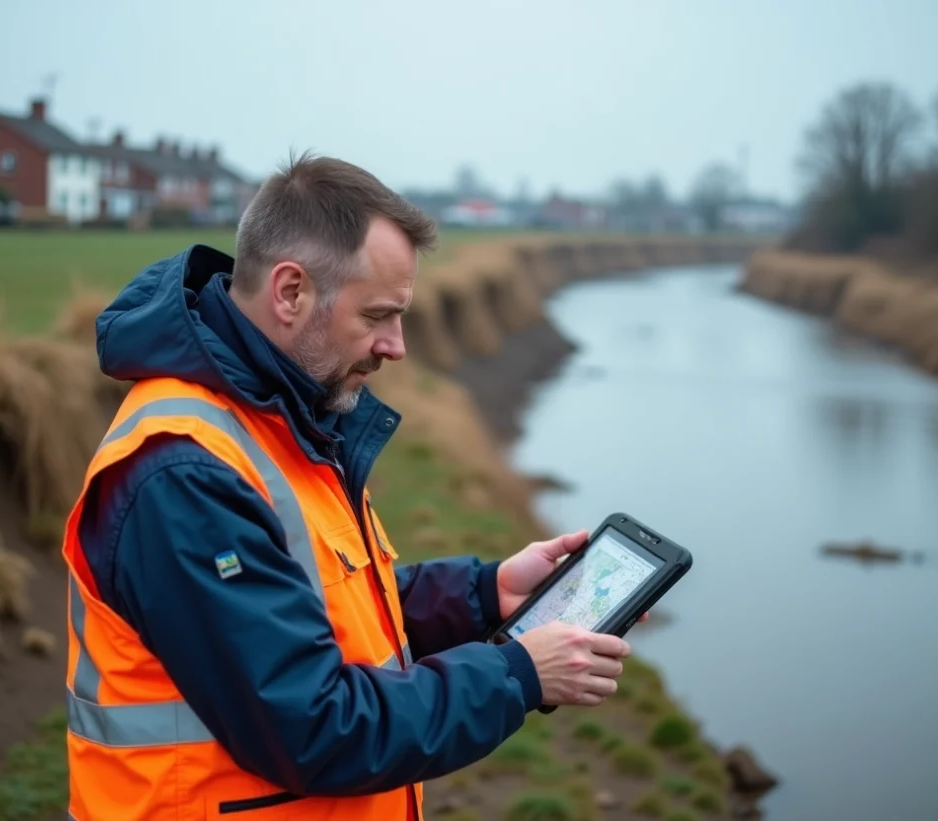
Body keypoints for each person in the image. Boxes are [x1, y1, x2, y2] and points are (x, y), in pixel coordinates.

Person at [61, 152, 639, 821]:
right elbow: (316, 726)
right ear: (290, 292)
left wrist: (486, 593)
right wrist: (517, 671)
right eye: (377, 316)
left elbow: (314, 608)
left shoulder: (277, 415)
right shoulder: (186, 475)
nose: (395, 346)